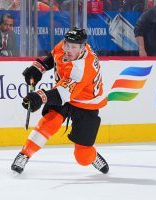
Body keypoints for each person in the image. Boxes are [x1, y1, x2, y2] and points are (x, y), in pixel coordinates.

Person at [11, 27, 109, 174]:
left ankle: (92, 156)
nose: (68, 49)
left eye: (73, 47)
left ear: (83, 48)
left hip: (87, 103)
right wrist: (39, 68)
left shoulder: (82, 68)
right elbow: (53, 57)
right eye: (67, 45)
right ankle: (24, 154)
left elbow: (60, 95)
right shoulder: (65, 46)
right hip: (67, 93)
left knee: (82, 157)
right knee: (51, 120)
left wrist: (39, 97)